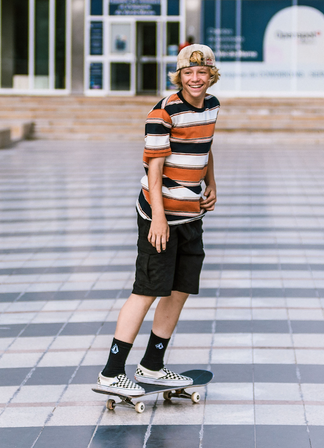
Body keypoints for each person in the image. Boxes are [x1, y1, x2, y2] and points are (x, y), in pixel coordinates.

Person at [94, 44, 221, 396]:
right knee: (147, 290)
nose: (195, 78)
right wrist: (158, 220)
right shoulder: (162, 113)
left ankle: (152, 365)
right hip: (158, 213)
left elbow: (206, 144)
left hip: (191, 214)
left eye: (202, 72)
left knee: (180, 290)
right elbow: (154, 167)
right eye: (188, 72)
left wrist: (211, 184)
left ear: (212, 74)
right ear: (179, 76)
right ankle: (111, 372)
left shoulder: (211, 106)